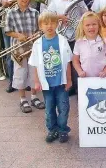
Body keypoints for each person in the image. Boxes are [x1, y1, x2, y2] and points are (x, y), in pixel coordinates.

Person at [29, 12, 72, 143]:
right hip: (47, 84)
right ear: (40, 26)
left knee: (64, 108)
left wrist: (69, 79)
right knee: (49, 109)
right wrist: (36, 82)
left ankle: (63, 129)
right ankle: (52, 130)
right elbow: (35, 64)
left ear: (57, 24)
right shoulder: (37, 44)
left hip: (61, 82)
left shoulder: (62, 40)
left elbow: (68, 62)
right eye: (46, 23)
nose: (49, 26)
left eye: (53, 23)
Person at [4, 0, 45, 113]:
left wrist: (36, 34)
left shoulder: (35, 12)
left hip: (33, 47)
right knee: (20, 74)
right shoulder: (10, 13)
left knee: (34, 73)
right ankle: (23, 99)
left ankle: (34, 96)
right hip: (18, 49)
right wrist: (18, 35)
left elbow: (40, 30)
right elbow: (7, 31)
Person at [48, 0, 88, 94]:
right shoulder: (56, 1)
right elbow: (48, 15)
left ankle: (78, 86)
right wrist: (59, 17)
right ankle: (69, 86)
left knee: (77, 61)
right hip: (63, 36)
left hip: (76, 36)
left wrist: (78, 23)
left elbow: (86, 14)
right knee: (65, 62)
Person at [73, 12, 106, 79]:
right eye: (87, 25)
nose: (91, 27)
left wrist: (105, 71)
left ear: (98, 25)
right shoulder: (79, 42)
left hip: (102, 78)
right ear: (83, 27)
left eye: (94, 24)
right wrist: (79, 71)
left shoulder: (104, 41)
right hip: (85, 79)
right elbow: (75, 60)